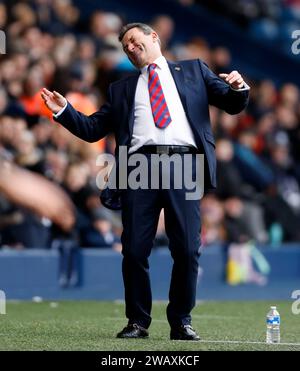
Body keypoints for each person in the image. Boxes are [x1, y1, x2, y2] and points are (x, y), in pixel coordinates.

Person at [41, 22, 250, 340]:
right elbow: (92, 129)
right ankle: (137, 321)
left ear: (154, 37)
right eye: (124, 46)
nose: (129, 47)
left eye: (133, 40)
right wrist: (65, 111)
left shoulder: (193, 70)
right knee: (135, 250)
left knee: (188, 248)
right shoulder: (121, 89)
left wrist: (238, 87)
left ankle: (181, 320)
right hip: (139, 167)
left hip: (184, 163)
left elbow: (232, 103)